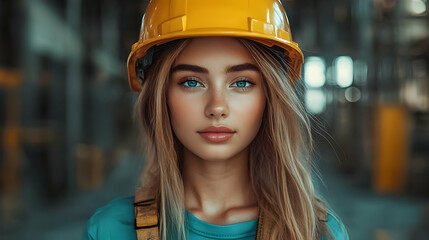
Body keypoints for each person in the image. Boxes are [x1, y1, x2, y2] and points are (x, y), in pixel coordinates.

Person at [83, 0, 349, 239]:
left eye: (242, 82)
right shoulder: (110, 230)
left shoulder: (318, 232)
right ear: (160, 97)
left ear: (270, 97)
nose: (217, 107)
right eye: (191, 82)